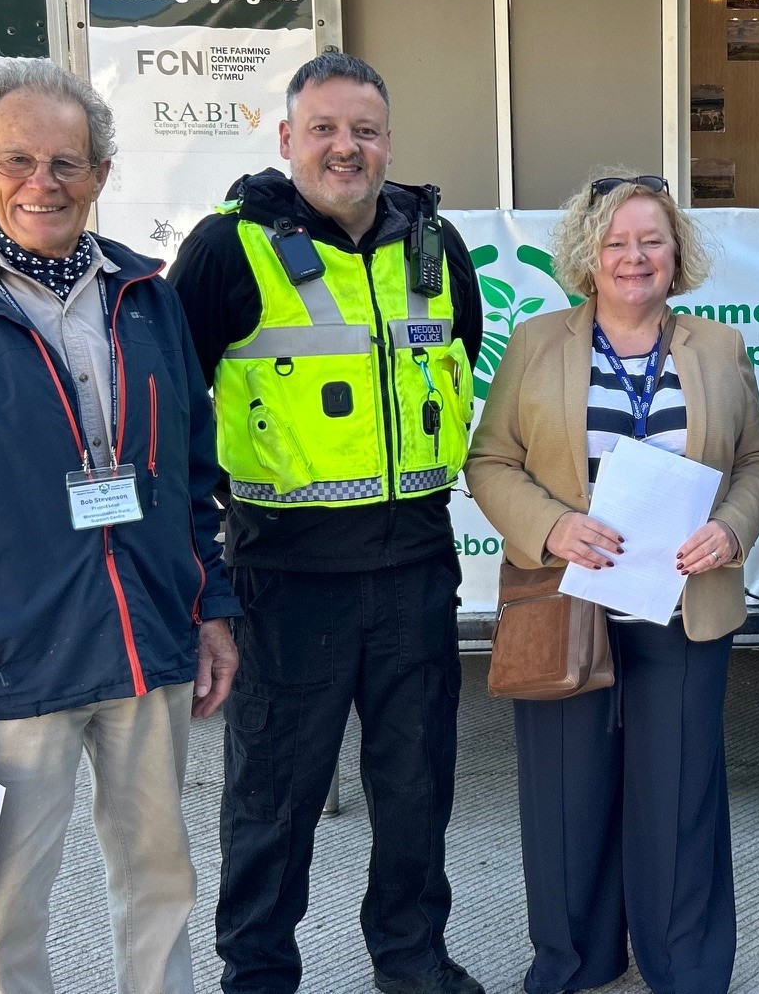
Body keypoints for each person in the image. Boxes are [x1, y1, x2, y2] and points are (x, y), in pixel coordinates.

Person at [0, 58, 241, 994]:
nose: (44, 184)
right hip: (6, 669)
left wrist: (212, 607)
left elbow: (193, 476)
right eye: (18, 160)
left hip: (146, 647)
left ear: (100, 175)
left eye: (68, 163)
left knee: (161, 881)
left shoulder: (146, 299)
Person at [168, 52, 485, 994]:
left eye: (365, 130)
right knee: (274, 798)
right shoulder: (229, 248)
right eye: (325, 129)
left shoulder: (438, 246)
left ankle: (412, 959)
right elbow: (175, 424)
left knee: (417, 790)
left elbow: (458, 367)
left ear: (388, 142)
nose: (346, 147)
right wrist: (202, 588)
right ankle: (257, 973)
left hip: (418, 570)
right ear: (287, 140)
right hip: (285, 579)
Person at [467, 173, 759, 994]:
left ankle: (684, 966)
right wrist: (551, 526)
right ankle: (576, 961)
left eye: (651, 240)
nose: (633, 257)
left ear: (676, 253)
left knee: (678, 798)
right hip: (565, 601)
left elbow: (758, 461)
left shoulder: (716, 347)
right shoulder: (537, 343)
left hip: (682, 605)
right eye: (615, 242)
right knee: (566, 796)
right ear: (587, 256)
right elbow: (489, 460)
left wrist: (731, 527)